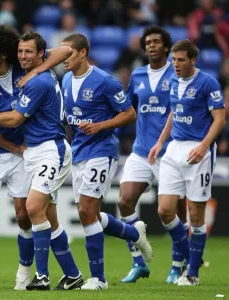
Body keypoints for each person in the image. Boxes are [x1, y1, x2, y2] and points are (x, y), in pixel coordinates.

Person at [0, 31, 83, 291]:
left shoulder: (30, 75)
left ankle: (31, 272)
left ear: (3, 52)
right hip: (4, 149)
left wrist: (36, 70)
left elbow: (65, 51)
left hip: (39, 149)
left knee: (28, 212)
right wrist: (13, 146)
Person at [60, 33, 152, 290]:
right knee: (87, 213)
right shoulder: (66, 79)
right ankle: (135, 233)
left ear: (82, 53)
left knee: (87, 210)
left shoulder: (104, 81)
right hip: (79, 151)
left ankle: (98, 279)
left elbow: (129, 114)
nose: (63, 58)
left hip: (102, 151)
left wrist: (101, 125)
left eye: (68, 53)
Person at [148, 39, 225, 286]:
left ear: (193, 60)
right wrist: (160, 142)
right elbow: (174, 112)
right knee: (165, 210)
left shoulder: (208, 82)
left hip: (198, 150)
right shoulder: (173, 81)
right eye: (174, 60)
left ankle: (192, 274)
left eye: (181, 60)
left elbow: (220, 119)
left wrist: (204, 146)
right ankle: (191, 257)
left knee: (195, 214)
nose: (176, 64)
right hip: (174, 149)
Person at [118, 26, 188, 284]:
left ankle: (178, 265)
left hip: (171, 151)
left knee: (175, 212)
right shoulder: (137, 75)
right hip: (140, 150)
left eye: (157, 42)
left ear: (167, 47)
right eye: (147, 42)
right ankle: (139, 263)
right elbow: (129, 109)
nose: (151, 46)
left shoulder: (178, 73)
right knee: (125, 201)